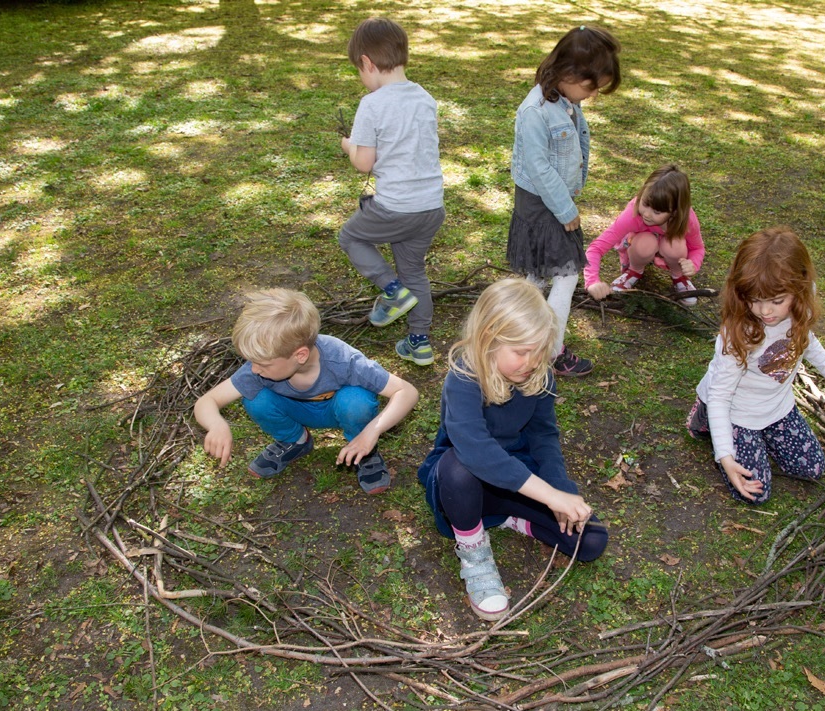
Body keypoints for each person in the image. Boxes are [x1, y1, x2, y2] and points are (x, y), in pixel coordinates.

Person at [417, 279, 609, 621]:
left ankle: (510, 519)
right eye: (521, 352)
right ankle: (474, 553)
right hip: (461, 486)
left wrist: (561, 491)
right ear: (489, 338)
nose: (531, 362)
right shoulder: (463, 378)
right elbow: (477, 453)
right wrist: (549, 497)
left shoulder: (539, 376)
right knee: (459, 468)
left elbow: (544, 438)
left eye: (538, 352)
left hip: (517, 479)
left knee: (591, 540)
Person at [687, 227, 825, 505]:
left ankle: (761, 433)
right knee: (756, 494)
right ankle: (703, 417)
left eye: (776, 301)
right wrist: (726, 457)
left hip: (776, 406)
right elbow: (721, 397)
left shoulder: (801, 305)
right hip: (736, 411)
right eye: (754, 300)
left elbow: (805, 339)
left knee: (811, 468)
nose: (765, 311)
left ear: (799, 291)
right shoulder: (739, 334)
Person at [194, 289, 418, 494]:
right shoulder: (260, 367)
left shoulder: (342, 360)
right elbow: (207, 401)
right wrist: (217, 424)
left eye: (262, 364)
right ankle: (295, 441)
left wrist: (371, 432)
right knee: (255, 399)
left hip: (339, 410)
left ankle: (362, 449)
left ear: (300, 355)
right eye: (251, 362)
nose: (254, 369)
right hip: (296, 410)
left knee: (356, 401)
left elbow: (406, 391)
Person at [507, 26, 622, 377]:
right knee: (568, 274)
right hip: (543, 204)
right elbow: (539, 168)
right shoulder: (535, 112)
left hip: (550, 200)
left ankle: (512, 328)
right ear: (568, 73)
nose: (591, 95)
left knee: (538, 271)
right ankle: (551, 351)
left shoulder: (564, 99)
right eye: (590, 87)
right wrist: (565, 208)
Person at [338, 17, 445, 366]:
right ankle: (419, 342)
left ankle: (392, 291)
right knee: (414, 269)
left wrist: (349, 145)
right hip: (430, 207)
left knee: (351, 237)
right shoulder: (424, 97)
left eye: (360, 70)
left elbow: (364, 163)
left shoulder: (373, 104)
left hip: (396, 207)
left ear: (367, 63)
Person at [584, 165, 705, 306]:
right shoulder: (633, 215)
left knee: (675, 245)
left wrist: (693, 264)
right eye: (645, 204)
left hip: (671, 246)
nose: (647, 214)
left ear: (675, 212)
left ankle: (679, 276)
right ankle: (634, 271)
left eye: (657, 212)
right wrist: (592, 281)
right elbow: (596, 247)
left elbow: (698, 248)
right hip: (641, 242)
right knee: (644, 244)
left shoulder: (687, 220)